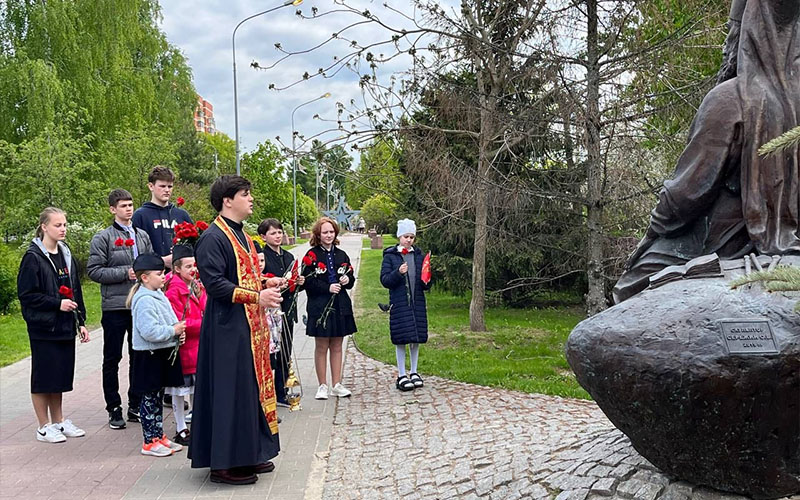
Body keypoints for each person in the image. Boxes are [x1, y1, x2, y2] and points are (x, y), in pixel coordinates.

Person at [613, 0, 800, 303]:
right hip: (789, 242)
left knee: (631, 286)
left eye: (731, 31)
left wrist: (651, 234)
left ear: (747, 32)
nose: (728, 42)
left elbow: (686, 195)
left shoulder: (730, 100)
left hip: (724, 240)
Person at [189, 175, 284, 486]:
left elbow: (242, 276)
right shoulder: (213, 237)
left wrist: (265, 284)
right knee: (230, 391)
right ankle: (224, 463)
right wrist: (257, 296)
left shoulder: (241, 234)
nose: (251, 199)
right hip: (226, 328)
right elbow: (215, 284)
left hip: (247, 326)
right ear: (227, 200)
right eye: (245, 194)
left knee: (249, 388)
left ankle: (249, 451)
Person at [17, 207, 90, 443]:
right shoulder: (33, 257)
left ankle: (59, 422)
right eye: (58, 225)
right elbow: (27, 295)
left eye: (65, 225)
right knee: (43, 377)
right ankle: (43, 426)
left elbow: (76, 289)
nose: (63, 229)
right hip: (43, 327)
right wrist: (56, 304)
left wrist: (81, 321)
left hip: (65, 325)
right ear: (44, 227)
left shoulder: (66, 253)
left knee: (59, 375)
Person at [87, 189, 153, 429]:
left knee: (139, 354)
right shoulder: (103, 238)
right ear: (113, 209)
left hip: (140, 303)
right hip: (115, 305)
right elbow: (94, 271)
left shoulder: (142, 235)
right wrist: (124, 273)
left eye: (130, 204)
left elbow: (151, 264)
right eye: (123, 205)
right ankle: (113, 407)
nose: (128, 209)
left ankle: (135, 403)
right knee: (112, 357)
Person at [128, 253, 186, 457]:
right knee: (149, 399)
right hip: (148, 355)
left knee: (158, 397)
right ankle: (149, 441)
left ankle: (159, 436)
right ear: (145, 277)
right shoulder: (143, 299)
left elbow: (168, 319)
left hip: (160, 353)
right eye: (159, 274)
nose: (164, 277)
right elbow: (149, 331)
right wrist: (173, 331)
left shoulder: (158, 294)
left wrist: (177, 330)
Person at [303, 217, 356, 400]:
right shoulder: (311, 256)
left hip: (340, 304)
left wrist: (348, 280)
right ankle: (322, 385)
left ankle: (337, 384)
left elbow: (350, 276)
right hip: (320, 306)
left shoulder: (341, 255)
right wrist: (327, 287)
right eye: (325, 232)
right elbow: (307, 282)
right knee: (321, 345)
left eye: (331, 232)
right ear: (318, 234)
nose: (328, 235)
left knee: (337, 345)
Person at [258, 218, 305, 407]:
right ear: (263, 236)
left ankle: (282, 389)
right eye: (273, 233)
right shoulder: (263, 257)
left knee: (286, 350)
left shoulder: (288, 256)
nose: (277, 236)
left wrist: (299, 283)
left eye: (279, 232)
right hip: (270, 312)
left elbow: (294, 287)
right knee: (271, 353)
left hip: (287, 309)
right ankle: (269, 391)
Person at [380, 219, 431, 391]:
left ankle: (414, 371)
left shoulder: (418, 255)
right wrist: (398, 273)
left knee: (415, 337)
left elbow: (424, 281)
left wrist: (427, 280)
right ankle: (402, 373)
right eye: (406, 236)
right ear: (399, 236)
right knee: (401, 338)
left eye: (411, 237)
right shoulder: (391, 256)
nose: (409, 240)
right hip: (400, 302)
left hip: (416, 302)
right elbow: (385, 280)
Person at [164, 244, 205, 446]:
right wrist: (203, 324)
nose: (193, 270)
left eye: (194, 265)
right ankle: (180, 427)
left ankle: (198, 423)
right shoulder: (174, 292)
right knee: (180, 392)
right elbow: (179, 322)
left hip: (199, 348)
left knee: (198, 389)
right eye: (188, 266)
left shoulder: (197, 286)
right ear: (177, 269)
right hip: (184, 349)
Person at [131, 166, 192, 270]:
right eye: (162, 186)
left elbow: (192, 247)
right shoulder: (140, 216)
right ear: (151, 186)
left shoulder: (182, 215)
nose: (167, 190)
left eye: (170, 186)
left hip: (181, 277)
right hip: (152, 276)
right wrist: (161, 261)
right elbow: (135, 252)